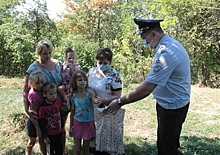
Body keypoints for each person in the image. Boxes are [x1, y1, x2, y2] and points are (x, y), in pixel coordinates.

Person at [106, 18, 191, 155]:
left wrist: (120, 101)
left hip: (172, 107)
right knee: (165, 143)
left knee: (167, 149)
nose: (144, 42)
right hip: (169, 103)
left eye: (144, 38)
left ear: (153, 34)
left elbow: (146, 89)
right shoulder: (168, 45)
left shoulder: (167, 52)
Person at [23, 40, 68, 154]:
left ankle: (61, 152)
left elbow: (66, 81)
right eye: (44, 53)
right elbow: (26, 91)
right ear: (39, 53)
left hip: (58, 106)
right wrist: (27, 109)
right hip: (42, 108)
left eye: (49, 53)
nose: (47, 56)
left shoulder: (58, 64)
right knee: (43, 134)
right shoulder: (33, 68)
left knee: (61, 131)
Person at [88, 48, 125, 155]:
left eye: (105, 63)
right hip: (92, 109)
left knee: (107, 139)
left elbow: (117, 96)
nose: (102, 65)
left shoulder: (114, 75)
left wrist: (102, 100)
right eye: (100, 62)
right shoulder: (91, 72)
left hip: (107, 110)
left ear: (110, 62)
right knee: (93, 136)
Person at [69, 70, 96, 155]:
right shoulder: (73, 95)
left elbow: (95, 105)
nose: (83, 82)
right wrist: (71, 126)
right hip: (77, 124)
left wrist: (96, 101)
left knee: (85, 149)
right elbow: (72, 111)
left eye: (84, 80)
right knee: (77, 150)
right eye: (80, 80)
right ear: (75, 82)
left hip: (88, 123)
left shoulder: (90, 93)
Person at [38, 82, 63, 155]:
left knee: (59, 149)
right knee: (50, 151)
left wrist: (62, 126)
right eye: (51, 94)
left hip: (58, 131)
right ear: (44, 94)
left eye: (55, 93)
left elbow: (60, 113)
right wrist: (44, 136)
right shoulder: (42, 107)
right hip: (49, 133)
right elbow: (42, 122)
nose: (54, 96)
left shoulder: (58, 101)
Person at [25, 70, 46, 155]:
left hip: (42, 118)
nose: (40, 85)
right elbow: (34, 113)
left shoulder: (42, 91)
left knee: (42, 141)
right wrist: (38, 128)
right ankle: (27, 152)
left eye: (41, 82)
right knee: (32, 142)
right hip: (34, 120)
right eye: (37, 83)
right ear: (31, 83)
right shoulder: (33, 94)